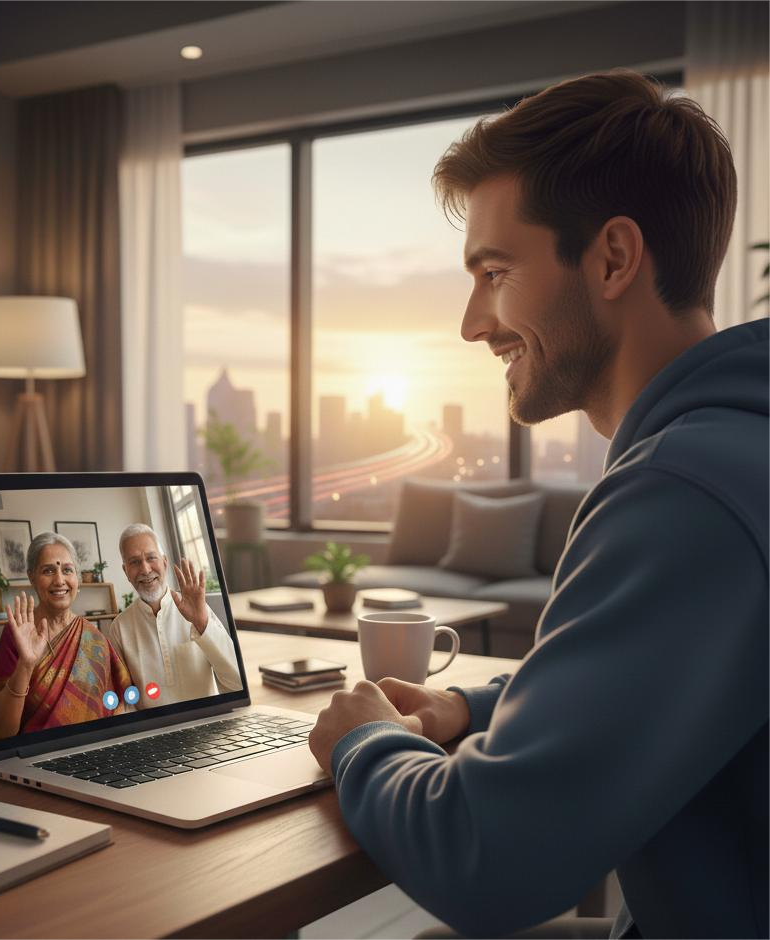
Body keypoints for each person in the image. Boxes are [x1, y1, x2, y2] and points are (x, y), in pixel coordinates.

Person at [308, 70, 770, 940]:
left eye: (494, 271)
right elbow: (675, 674)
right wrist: (470, 710)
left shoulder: (684, 492)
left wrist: (363, 741)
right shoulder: (737, 448)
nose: (472, 323)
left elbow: (483, 857)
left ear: (613, 259)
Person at [0, 532, 132, 739]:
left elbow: (120, 705)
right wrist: (26, 665)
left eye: (67, 570)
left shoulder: (94, 638)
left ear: (77, 578)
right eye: (48, 571)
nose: (60, 580)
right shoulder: (17, 634)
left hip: (96, 751)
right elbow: (0, 732)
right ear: (32, 577)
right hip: (39, 755)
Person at [107, 523, 242, 707]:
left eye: (151, 558)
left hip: (207, 726)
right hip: (151, 732)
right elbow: (124, 702)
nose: (145, 569)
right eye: (135, 562)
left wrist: (202, 624)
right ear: (126, 572)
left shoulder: (198, 611)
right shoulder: (119, 628)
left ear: (164, 562)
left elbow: (237, 684)